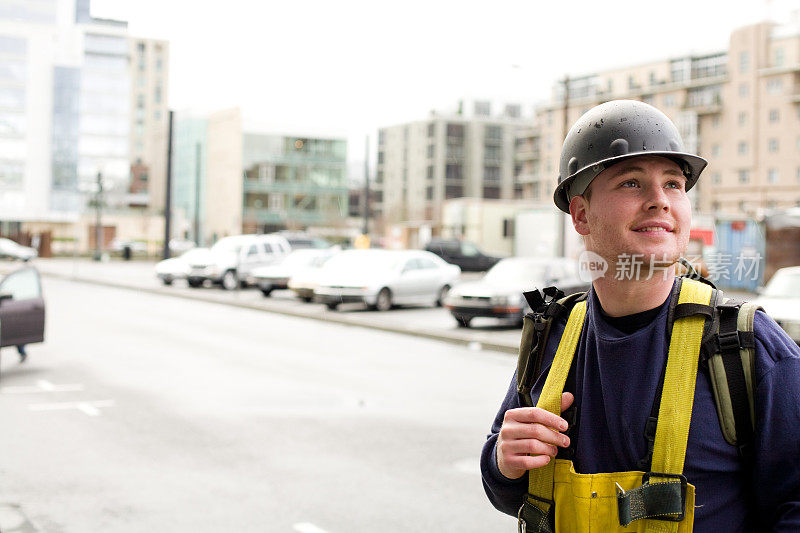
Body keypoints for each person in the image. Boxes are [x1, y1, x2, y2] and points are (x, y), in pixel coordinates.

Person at [480, 100, 800, 531]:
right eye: (631, 183)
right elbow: (507, 487)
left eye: (673, 184)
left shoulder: (748, 348)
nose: (660, 201)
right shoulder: (551, 339)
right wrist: (504, 462)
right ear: (580, 214)